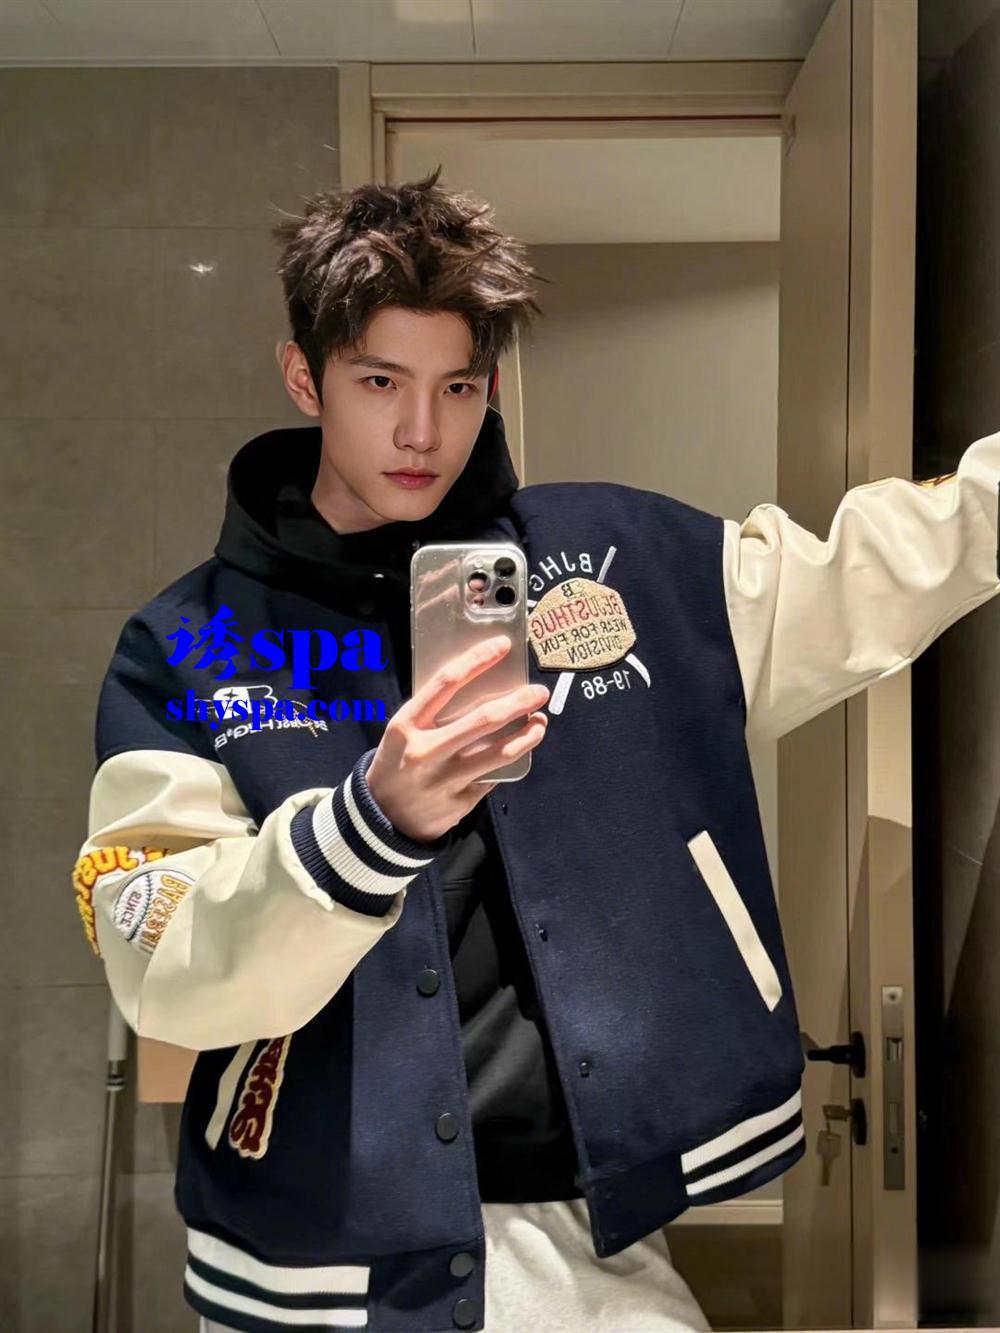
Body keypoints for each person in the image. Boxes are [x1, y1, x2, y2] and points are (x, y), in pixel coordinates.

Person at [72, 167, 1000, 1333]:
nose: (422, 431)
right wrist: (366, 828)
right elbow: (157, 957)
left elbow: (863, 570)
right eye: (379, 382)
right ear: (304, 377)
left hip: (591, 1241)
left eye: (457, 385)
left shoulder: (610, 559)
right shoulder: (190, 643)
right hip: (312, 1262)